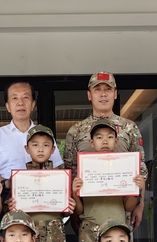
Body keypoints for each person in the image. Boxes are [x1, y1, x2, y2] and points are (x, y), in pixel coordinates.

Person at [0, 82, 64, 242]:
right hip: (9, 200)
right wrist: (7, 182)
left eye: (25, 98)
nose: (20, 103)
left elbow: (58, 171)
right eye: (15, 98)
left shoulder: (44, 135)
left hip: (42, 199)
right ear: (7, 106)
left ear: (33, 104)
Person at [72, 119, 144, 242]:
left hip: (118, 228)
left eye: (110, 137)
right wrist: (75, 192)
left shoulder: (124, 167)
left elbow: (128, 206)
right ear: (91, 142)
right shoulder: (85, 169)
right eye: (99, 137)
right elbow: (79, 210)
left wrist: (136, 190)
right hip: (90, 228)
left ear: (116, 141)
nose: (105, 141)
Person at [62, 72, 148, 228]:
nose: (103, 94)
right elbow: (69, 172)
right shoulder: (76, 131)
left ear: (115, 94)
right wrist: (74, 212)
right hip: (88, 213)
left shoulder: (129, 128)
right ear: (89, 95)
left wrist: (140, 204)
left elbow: (140, 170)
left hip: (121, 211)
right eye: (97, 89)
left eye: (108, 89)